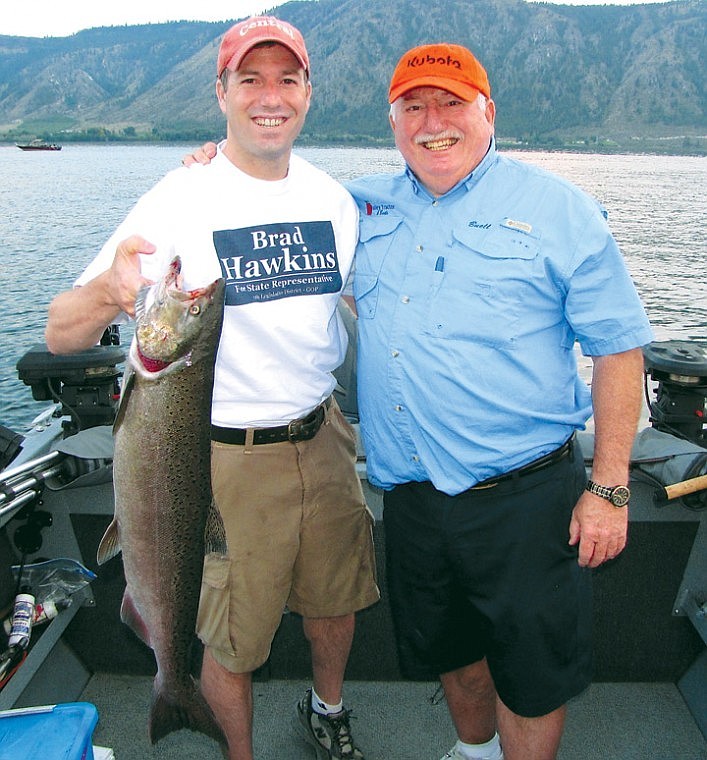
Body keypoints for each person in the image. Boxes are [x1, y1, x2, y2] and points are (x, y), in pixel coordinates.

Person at [185, 43, 653, 760]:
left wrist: (609, 487)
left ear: (487, 112)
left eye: (451, 103)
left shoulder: (561, 210)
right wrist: (216, 172)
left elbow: (618, 350)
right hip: (412, 498)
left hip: (525, 499)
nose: (432, 122)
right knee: (452, 653)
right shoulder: (356, 206)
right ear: (393, 121)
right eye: (413, 106)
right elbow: (271, 202)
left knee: (530, 678)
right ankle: (472, 752)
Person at [45, 16, 379, 760]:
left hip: (324, 440)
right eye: (249, 80)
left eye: (285, 79)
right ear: (220, 92)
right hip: (214, 456)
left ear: (307, 93)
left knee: (337, 599)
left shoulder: (334, 199)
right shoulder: (179, 196)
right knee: (232, 639)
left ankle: (328, 708)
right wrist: (108, 289)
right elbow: (61, 331)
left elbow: (364, 299)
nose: (270, 97)